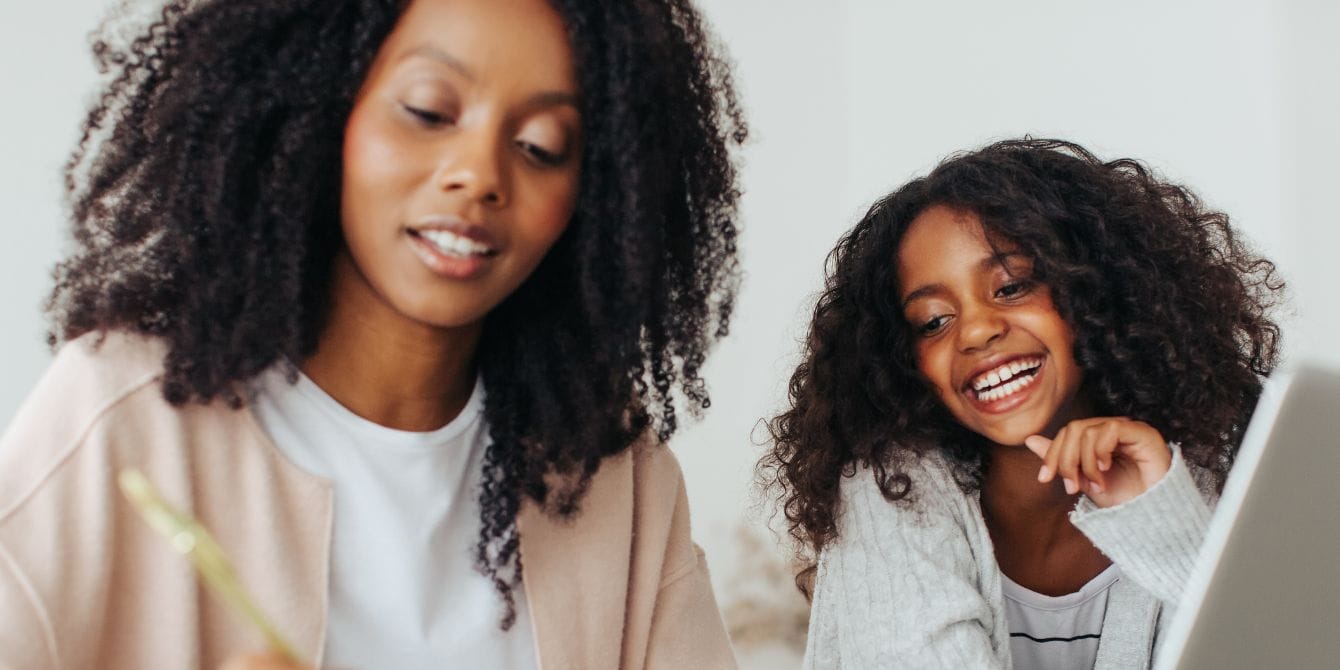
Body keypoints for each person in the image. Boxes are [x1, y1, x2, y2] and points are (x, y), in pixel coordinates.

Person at [0, 0, 747, 667]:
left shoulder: (615, 474)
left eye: (542, 145)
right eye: (428, 111)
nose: (478, 174)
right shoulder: (126, 416)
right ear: (321, 110)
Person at [761, 139, 1283, 669]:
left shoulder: (1212, 470)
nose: (977, 331)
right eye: (933, 321)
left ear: (1095, 288)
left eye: (1010, 287)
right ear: (905, 361)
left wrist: (1167, 534)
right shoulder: (890, 490)